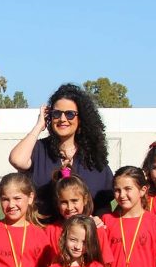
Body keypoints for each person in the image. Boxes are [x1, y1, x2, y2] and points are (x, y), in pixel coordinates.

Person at [9, 84, 114, 219]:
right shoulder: (39, 150)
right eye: (57, 114)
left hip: (81, 237)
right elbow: (17, 160)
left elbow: (103, 205)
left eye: (70, 114)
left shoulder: (93, 158)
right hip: (44, 234)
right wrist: (39, 126)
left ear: (81, 119)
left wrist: (98, 220)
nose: (62, 119)